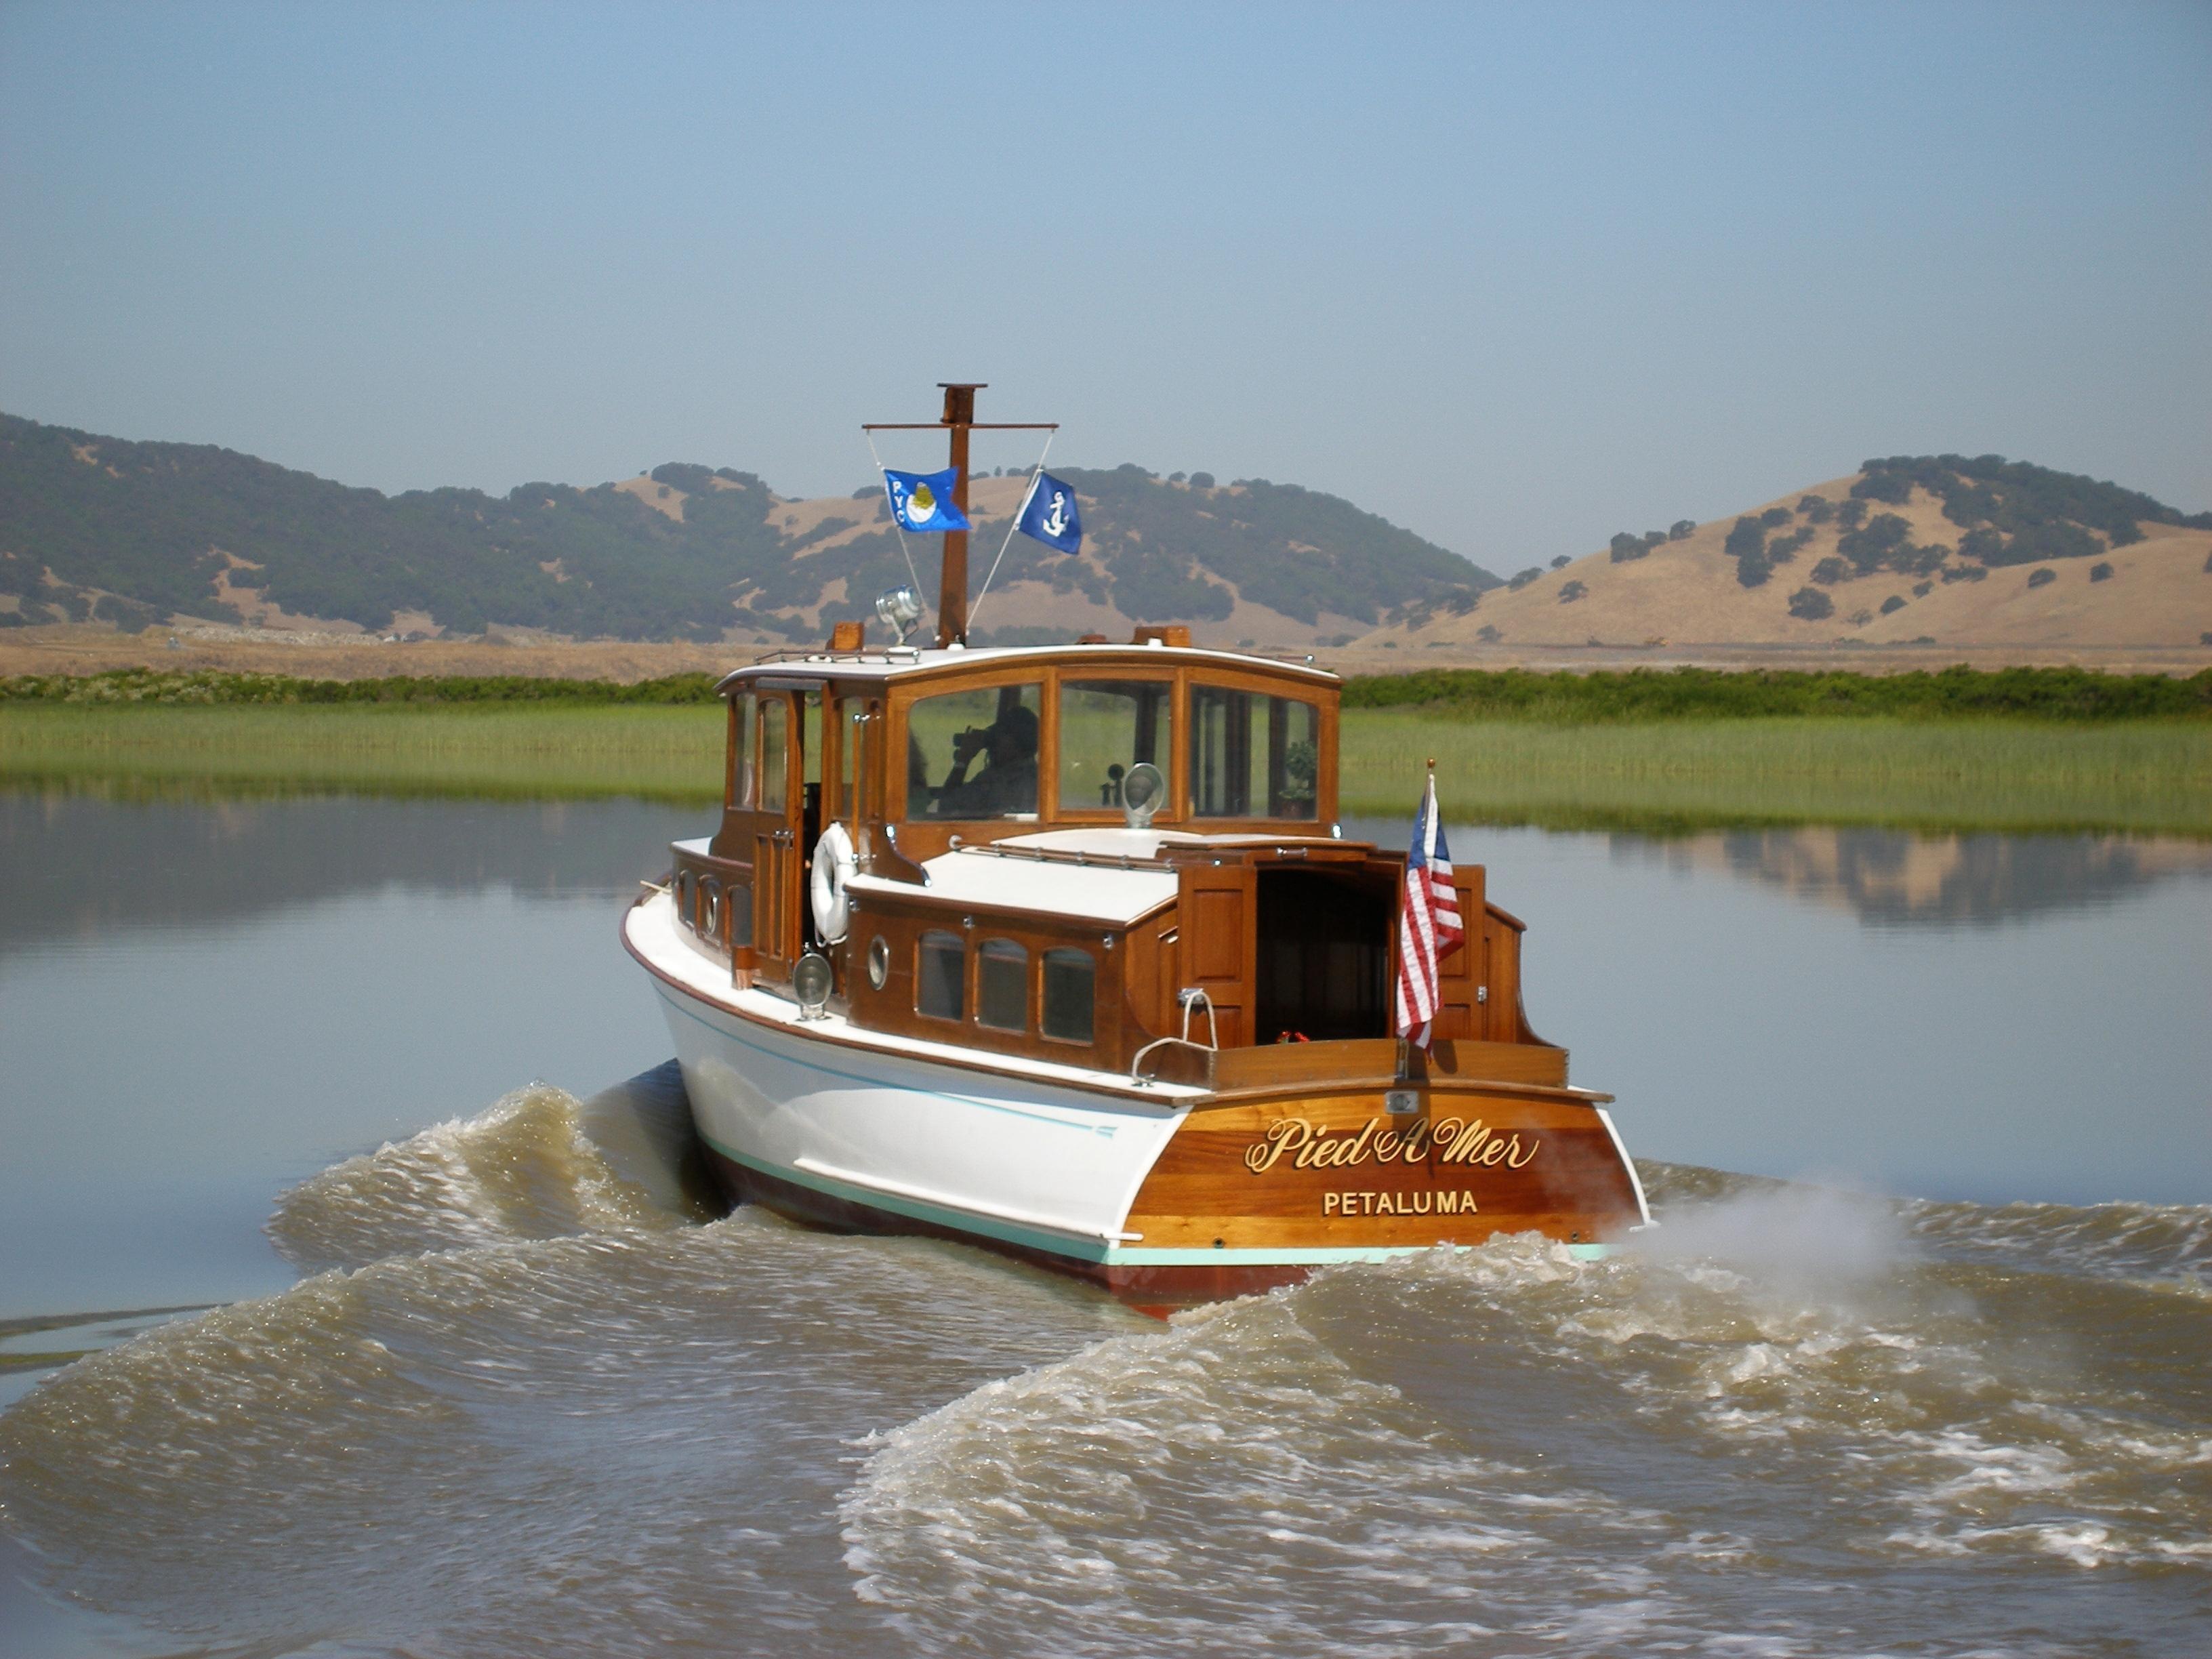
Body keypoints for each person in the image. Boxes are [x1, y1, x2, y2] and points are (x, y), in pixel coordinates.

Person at [935, 702, 1038, 817]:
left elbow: (946, 808)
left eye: (1000, 736)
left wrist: (963, 760)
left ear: (1019, 742)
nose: (994, 743)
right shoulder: (1036, 776)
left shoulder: (999, 780)